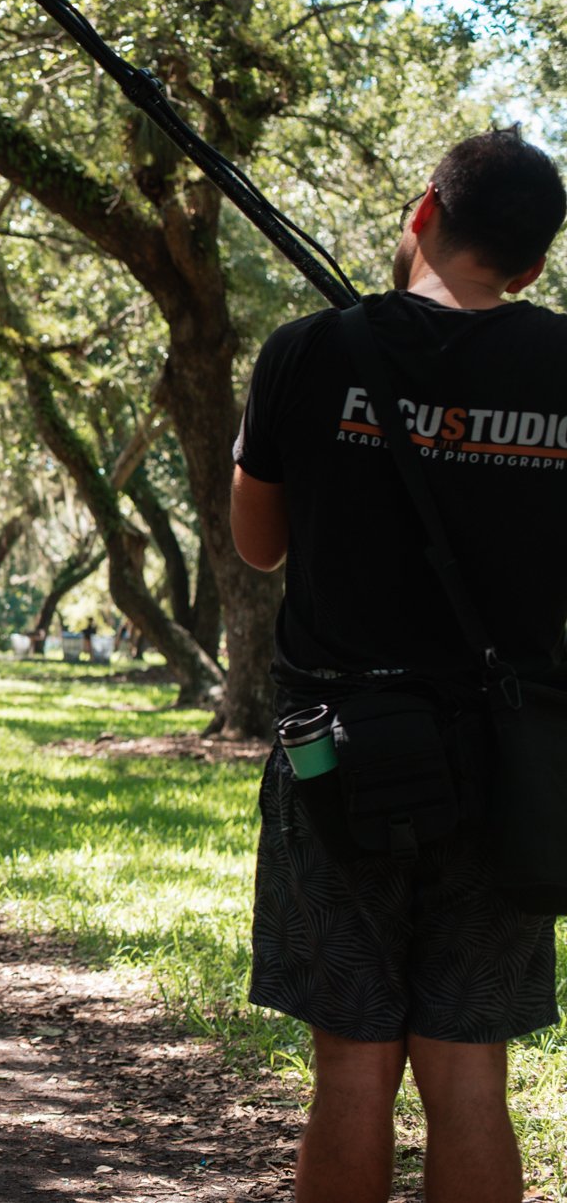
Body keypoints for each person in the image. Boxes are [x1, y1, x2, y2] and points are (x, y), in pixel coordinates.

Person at [231, 129, 567, 1203]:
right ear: (534, 265)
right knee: (471, 1072)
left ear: (423, 211)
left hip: (343, 758)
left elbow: (257, 543)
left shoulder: (308, 352)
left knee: (353, 1069)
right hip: (512, 766)